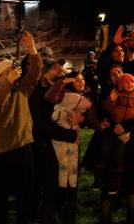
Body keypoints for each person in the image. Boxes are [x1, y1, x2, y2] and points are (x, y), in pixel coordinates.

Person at [0, 32, 42, 224]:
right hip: (0, 155)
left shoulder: (22, 89)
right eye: (7, 72)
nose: (13, 73)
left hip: (23, 149)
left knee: (25, 199)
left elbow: (34, 73)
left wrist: (32, 49)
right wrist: (7, 84)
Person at [46, 70, 91, 223]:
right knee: (64, 168)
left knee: (73, 169)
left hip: (73, 138)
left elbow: (88, 114)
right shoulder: (62, 96)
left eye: (82, 79)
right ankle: (62, 203)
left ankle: (70, 203)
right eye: (77, 80)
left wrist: (82, 119)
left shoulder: (80, 98)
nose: (81, 82)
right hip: (61, 138)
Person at [98, 73, 134, 195]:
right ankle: (99, 177)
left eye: (132, 82)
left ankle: (116, 181)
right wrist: (110, 101)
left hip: (128, 129)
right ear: (121, 84)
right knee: (103, 149)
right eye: (127, 82)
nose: (130, 84)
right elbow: (106, 108)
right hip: (113, 127)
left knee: (119, 155)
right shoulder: (116, 95)